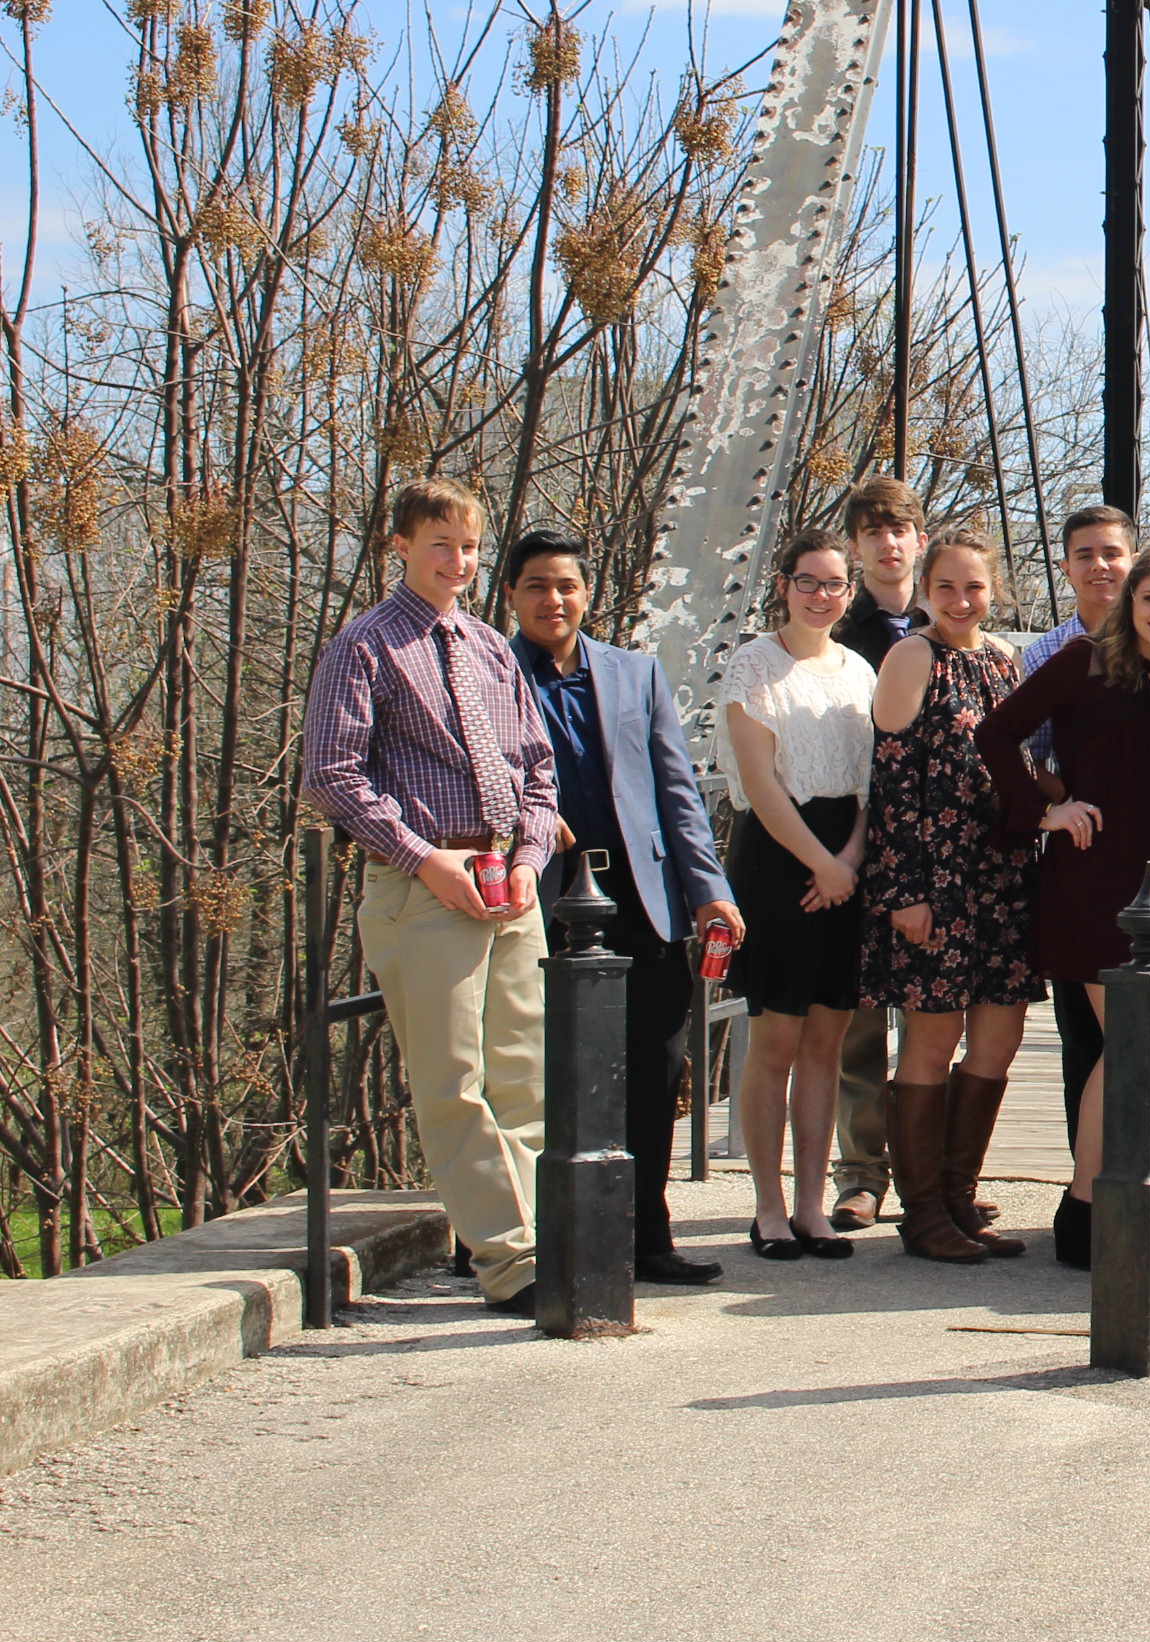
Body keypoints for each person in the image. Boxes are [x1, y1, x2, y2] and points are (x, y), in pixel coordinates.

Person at [297, 479, 558, 1314]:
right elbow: (330, 777)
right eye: (440, 544)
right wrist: (422, 861)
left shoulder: (488, 646)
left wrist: (528, 856)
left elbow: (539, 773)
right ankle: (512, 1263)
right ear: (400, 547)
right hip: (425, 888)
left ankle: (535, 1245)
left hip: (509, 887)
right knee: (454, 1083)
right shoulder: (364, 647)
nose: (459, 561)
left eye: (470, 547)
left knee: (526, 1079)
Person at [502, 528, 739, 1287]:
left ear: (587, 593)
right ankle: (538, 1240)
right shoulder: (490, 672)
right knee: (535, 1072)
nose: (554, 599)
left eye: (566, 584)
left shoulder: (634, 673)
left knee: (655, 1067)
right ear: (511, 595)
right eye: (537, 585)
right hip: (539, 895)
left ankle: (646, 1237)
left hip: (641, 897)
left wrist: (709, 892)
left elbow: (677, 793)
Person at [978, 546, 1150, 1269]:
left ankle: (1114, 1199)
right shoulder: (1082, 660)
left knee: (1137, 1049)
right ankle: (1083, 1209)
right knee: (1131, 1046)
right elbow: (996, 733)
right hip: (1095, 880)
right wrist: (1045, 812)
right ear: (1130, 599)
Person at [858, 532, 1037, 1263]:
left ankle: (958, 1193)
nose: (961, 602)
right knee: (933, 1038)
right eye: (946, 589)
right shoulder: (912, 658)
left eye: (974, 588)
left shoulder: (1003, 660)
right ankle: (922, 1209)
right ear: (927, 591)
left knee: (1000, 1034)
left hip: (1001, 876)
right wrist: (907, 891)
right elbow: (892, 780)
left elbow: (1018, 766)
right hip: (935, 879)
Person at [715, 530, 878, 1264]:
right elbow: (758, 786)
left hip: (849, 854)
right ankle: (769, 1207)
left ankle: (814, 1206)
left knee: (827, 1040)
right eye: (807, 582)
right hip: (782, 861)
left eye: (836, 585)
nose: (821, 596)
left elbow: (876, 784)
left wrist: (850, 859)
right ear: (784, 584)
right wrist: (821, 862)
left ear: (851, 593)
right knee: (776, 1038)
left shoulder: (860, 672)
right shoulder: (754, 665)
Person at [1015, 503, 1137, 1210]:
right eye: (1085, 554)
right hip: (1083, 859)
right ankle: (1086, 1190)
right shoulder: (1044, 654)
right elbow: (1021, 752)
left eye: (1112, 553)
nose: (1100, 566)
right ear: (1065, 566)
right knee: (1086, 1038)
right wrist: (1059, 804)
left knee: (1146, 1031)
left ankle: (1130, 1180)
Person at [825, 474, 930, 1235]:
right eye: (873, 532)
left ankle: (934, 1176)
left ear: (917, 540)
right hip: (860, 846)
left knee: (936, 1020)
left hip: (936, 850)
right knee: (860, 1021)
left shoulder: (953, 620)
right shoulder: (833, 636)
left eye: (900, 529)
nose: (888, 544)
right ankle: (861, 1175)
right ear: (857, 547)